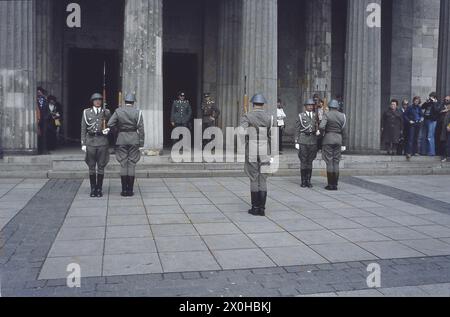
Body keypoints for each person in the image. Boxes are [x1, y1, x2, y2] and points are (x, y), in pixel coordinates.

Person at [240, 94, 274, 217]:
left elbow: (241, 132)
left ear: (253, 104)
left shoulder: (248, 116)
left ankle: (255, 207)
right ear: (263, 104)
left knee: (254, 177)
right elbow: (272, 135)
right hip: (265, 148)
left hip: (253, 147)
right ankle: (262, 208)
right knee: (263, 178)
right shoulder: (270, 117)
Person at [107, 93, 145, 197]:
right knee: (132, 163)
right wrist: (141, 143)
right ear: (133, 102)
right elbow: (141, 129)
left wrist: (118, 130)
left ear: (125, 101)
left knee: (123, 163)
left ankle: (124, 190)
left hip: (121, 139)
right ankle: (130, 191)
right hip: (134, 139)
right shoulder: (138, 112)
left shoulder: (118, 111)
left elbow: (110, 123)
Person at [81, 93, 111, 198]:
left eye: (99, 100)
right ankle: (93, 189)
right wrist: (83, 143)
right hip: (90, 141)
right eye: (95, 100)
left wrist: (109, 129)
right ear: (92, 102)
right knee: (91, 166)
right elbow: (83, 128)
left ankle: (99, 188)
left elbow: (111, 123)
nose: (98, 101)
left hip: (102, 141)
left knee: (101, 166)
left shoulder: (106, 112)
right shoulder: (86, 112)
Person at [319, 99, 347, 191]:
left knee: (329, 162)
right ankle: (335, 184)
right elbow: (344, 130)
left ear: (330, 107)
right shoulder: (342, 115)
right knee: (336, 162)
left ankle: (330, 184)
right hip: (338, 139)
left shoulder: (327, 114)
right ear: (337, 107)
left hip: (328, 139)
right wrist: (344, 143)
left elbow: (321, 126)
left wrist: (323, 133)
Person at [295, 99, 320, 188]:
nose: (310, 107)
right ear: (305, 106)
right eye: (308, 105)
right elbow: (297, 128)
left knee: (310, 161)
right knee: (303, 160)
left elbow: (317, 125)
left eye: (312, 105)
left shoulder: (315, 115)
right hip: (303, 140)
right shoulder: (301, 116)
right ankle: (303, 181)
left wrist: (317, 131)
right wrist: (296, 141)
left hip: (312, 140)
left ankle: (308, 181)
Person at [421, 92, 442, 156]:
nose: (430, 98)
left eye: (431, 97)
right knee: (424, 136)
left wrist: (434, 103)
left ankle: (431, 152)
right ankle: (423, 151)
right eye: (430, 96)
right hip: (426, 119)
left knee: (430, 136)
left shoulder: (438, 103)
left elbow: (437, 110)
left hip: (432, 121)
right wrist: (426, 102)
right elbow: (422, 107)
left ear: (435, 97)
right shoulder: (429, 102)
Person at [36, 87, 49, 155]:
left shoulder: (45, 100)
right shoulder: (35, 100)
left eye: (40, 92)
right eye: (38, 92)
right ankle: (38, 149)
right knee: (38, 135)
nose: (39, 93)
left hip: (44, 120)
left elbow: (48, 110)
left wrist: (46, 117)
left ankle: (44, 149)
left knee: (44, 135)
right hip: (37, 120)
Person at [439, 96, 450, 162]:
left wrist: (449, 126)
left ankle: (446, 156)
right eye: (445, 100)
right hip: (443, 129)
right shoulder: (444, 111)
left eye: (448, 100)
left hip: (448, 128)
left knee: (448, 143)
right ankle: (444, 156)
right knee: (444, 142)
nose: (446, 101)